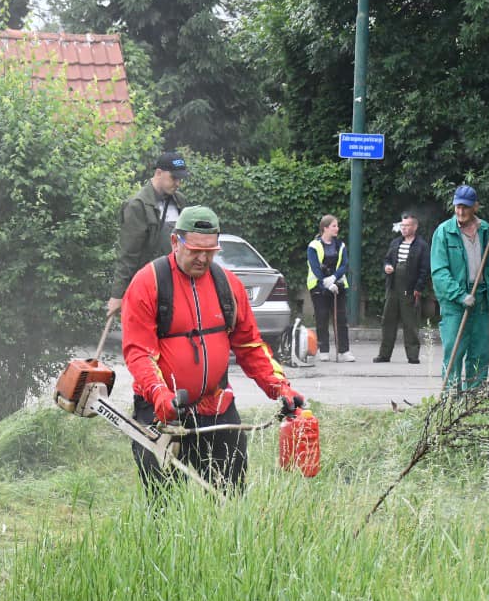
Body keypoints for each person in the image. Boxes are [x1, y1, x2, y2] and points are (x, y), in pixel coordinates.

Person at [121, 205, 304, 489]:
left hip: (217, 406)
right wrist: (160, 396)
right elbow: (138, 353)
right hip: (162, 411)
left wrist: (280, 388)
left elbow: (250, 345)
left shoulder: (227, 285)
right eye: (195, 250)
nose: (203, 258)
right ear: (175, 242)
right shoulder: (148, 283)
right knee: (165, 503)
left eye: (210, 251)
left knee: (230, 495)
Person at [430, 185, 489, 391]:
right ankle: (451, 400)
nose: (460, 212)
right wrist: (459, 295)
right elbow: (439, 272)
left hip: (480, 298)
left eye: (465, 207)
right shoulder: (444, 232)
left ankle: (475, 397)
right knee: (454, 350)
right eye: (457, 207)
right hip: (456, 303)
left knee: (479, 352)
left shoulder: (484, 230)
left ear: (475, 207)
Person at [106, 151, 189, 315]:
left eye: (180, 179)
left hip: (177, 284)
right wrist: (117, 295)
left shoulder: (180, 201)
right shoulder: (137, 206)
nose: (178, 183)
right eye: (174, 178)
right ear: (159, 173)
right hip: (148, 286)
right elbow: (128, 254)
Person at [377, 211, 431, 363]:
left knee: (411, 323)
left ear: (415, 227)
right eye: (402, 225)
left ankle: (413, 356)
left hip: (410, 288)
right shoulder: (395, 243)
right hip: (393, 287)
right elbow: (387, 259)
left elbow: (424, 269)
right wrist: (387, 266)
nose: (404, 228)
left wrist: (418, 288)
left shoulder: (422, 245)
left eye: (407, 226)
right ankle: (384, 355)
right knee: (388, 321)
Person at [306, 214, 352, 361]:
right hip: (319, 287)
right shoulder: (314, 246)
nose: (337, 228)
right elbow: (314, 267)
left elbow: (344, 264)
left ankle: (344, 351)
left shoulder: (341, 245)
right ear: (325, 228)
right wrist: (326, 283)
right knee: (322, 317)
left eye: (337, 226)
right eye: (334, 226)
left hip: (338, 286)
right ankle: (323, 350)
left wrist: (334, 278)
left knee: (341, 319)